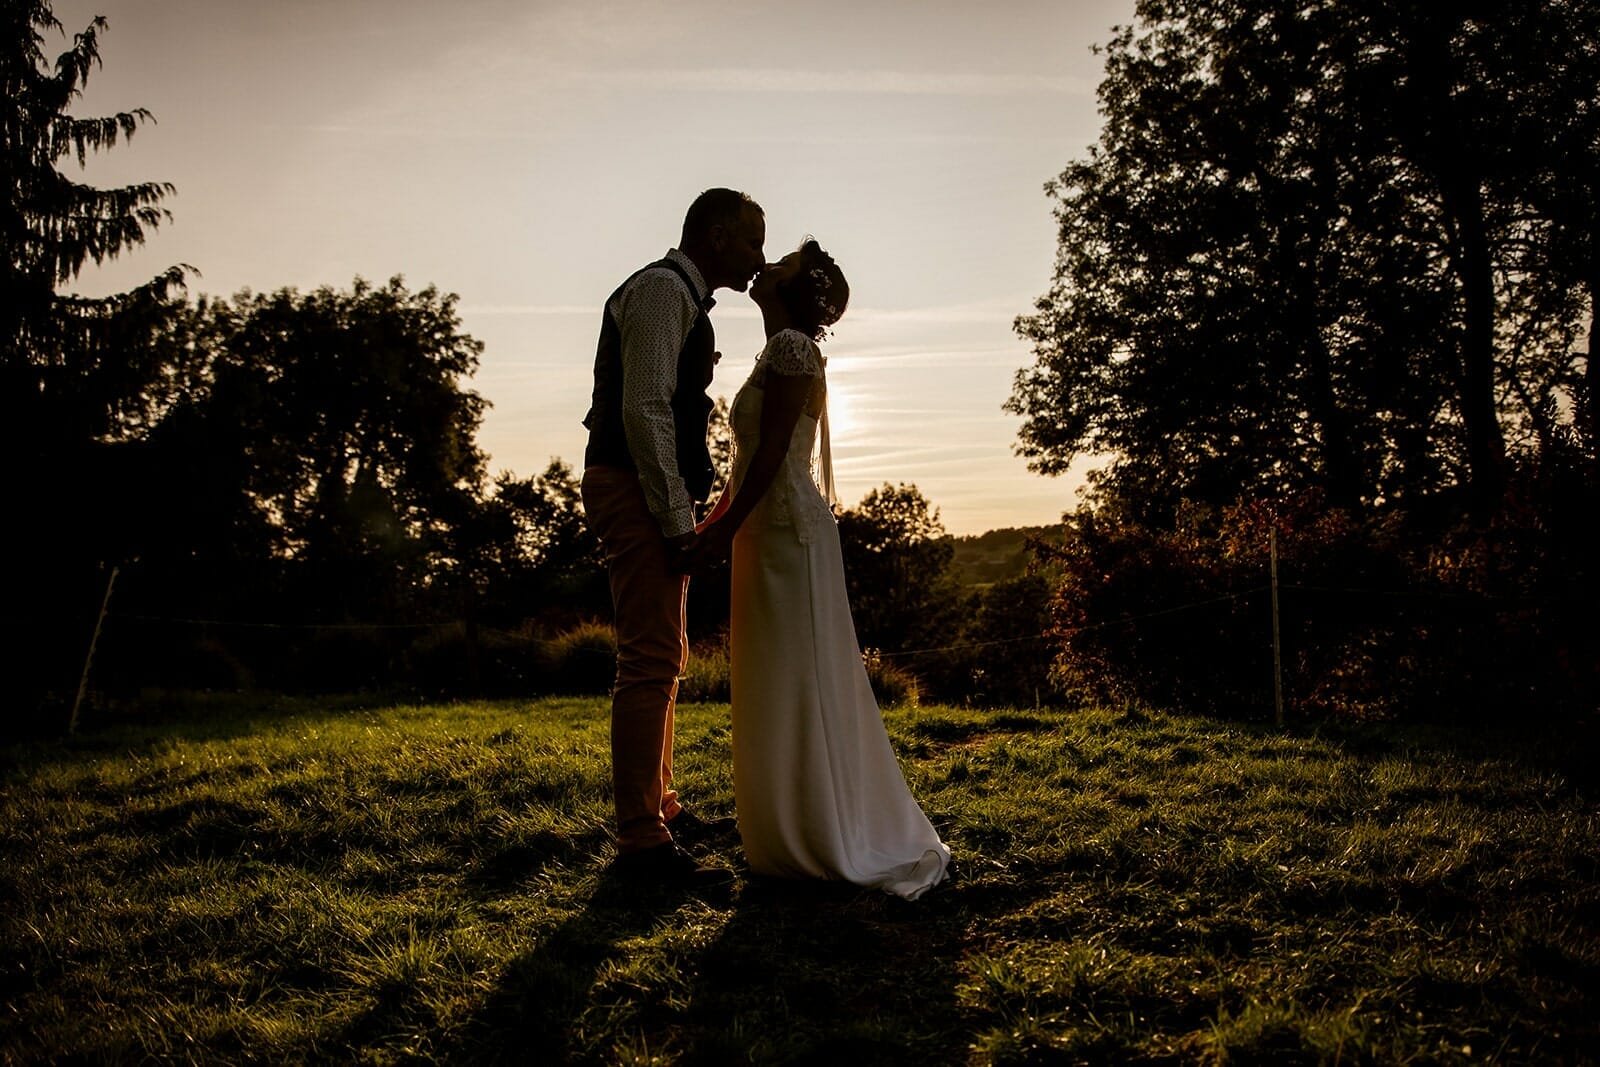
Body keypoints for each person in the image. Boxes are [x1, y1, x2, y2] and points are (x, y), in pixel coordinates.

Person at [693, 239, 953, 900]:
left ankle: (820, 830)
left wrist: (723, 526)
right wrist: (718, 519)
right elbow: (749, 458)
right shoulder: (777, 351)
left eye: (779, 261)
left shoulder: (791, 351)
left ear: (794, 287)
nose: (765, 264)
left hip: (785, 532)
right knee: (776, 676)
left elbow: (776, 451)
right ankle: (788, 828)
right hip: (766, 531)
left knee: (800, 675)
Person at [580, 188, 766, 885]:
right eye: (752, 239)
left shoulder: (680, 299)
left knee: (667, 652)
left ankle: (660, 807)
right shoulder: (662, 292)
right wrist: (678, 523)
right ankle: (641, 842)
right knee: (649, 655)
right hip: (632, 487)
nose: (759, 256)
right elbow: (645, 409)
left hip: (647, 490)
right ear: (716, 236)